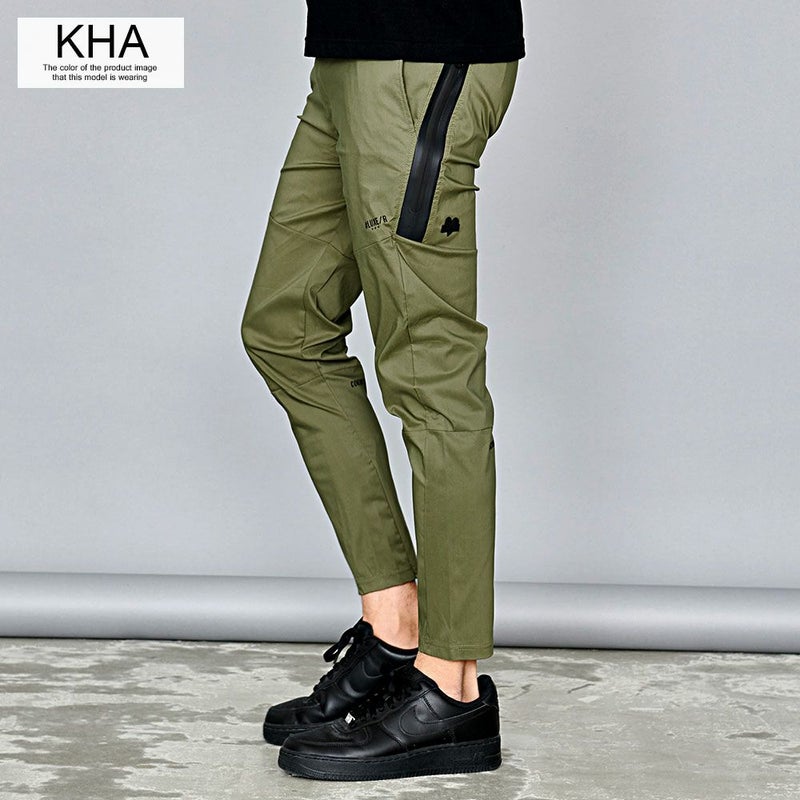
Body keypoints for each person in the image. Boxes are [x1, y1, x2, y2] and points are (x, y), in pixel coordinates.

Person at [240, 0, 525, 781]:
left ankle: (450, 685)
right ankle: (397, 625)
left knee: (432, 371)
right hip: (348, 51)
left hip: (421, 52)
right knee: (286, 328)